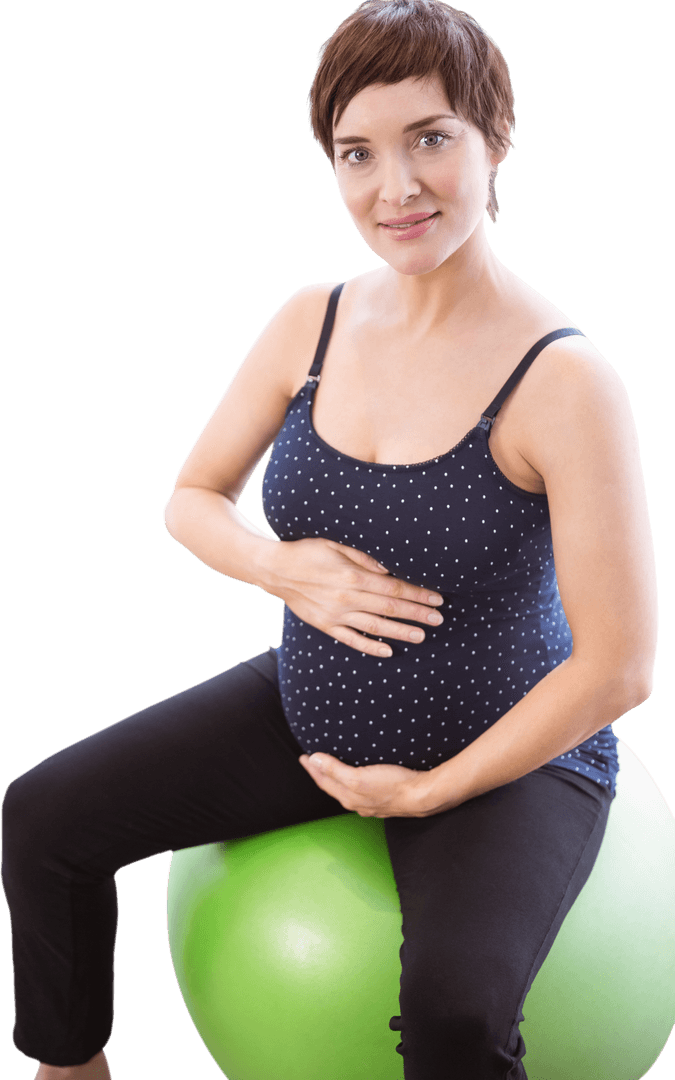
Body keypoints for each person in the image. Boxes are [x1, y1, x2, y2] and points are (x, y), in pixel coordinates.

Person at [1, 2, 658, 1078]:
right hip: (310, 705)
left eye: (430, 138)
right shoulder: (310, 320)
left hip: (504, 757)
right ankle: (72, 1071)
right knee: (39, 821)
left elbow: (621, 665)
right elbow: (191, 497)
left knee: (453, 1016)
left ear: (493, 141)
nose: (394, 188)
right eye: (359, 153)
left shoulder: (569, 383)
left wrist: (432, 790)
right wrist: (278, 564)